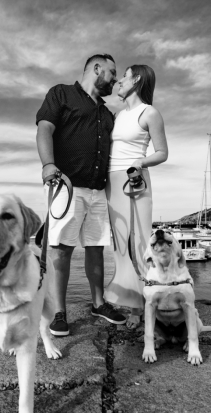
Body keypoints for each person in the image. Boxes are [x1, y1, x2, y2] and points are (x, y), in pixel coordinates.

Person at [35, 54, 127, 337]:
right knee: (61, 249)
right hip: (68, 186)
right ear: (96, 69)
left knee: (97, 247)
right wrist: (48, 164)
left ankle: (99, 303)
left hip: (99, 190)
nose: (115, 79)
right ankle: (59, 313)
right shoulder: (61, 94)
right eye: (112, 72)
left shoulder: (106, 113)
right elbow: (45, 129)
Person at [104, 65, 168, 329]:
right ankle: (132, 302)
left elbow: (162, 152)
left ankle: (145, 306)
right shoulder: (118, 115)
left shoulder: (149, 112)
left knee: (140, 243)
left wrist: (140, 162)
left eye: (125, 75)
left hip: (135, 179)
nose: (119, 80)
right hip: (111, 180)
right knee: (119, 243)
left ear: (137, 79)